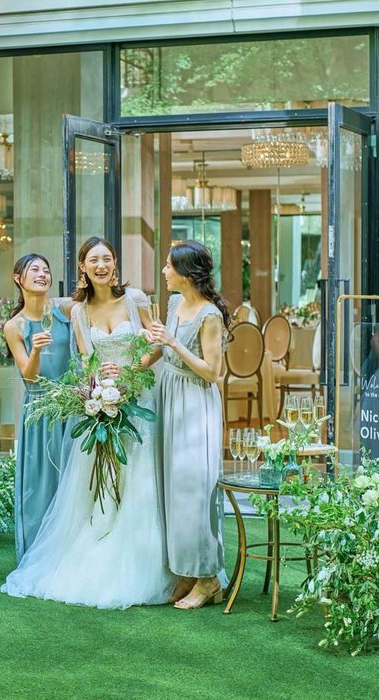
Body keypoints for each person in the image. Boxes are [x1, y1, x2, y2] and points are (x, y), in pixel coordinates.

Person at [2, 237, 175, 609]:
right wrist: (99, 387)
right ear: (82, 267)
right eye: (93, 260)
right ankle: (104, 555)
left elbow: (158, 344)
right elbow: (86, 360)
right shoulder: (78, 311)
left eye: (107, 259)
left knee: (142, 480)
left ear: (115, 264)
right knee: (105, 483)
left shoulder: (136, 300)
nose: (101, 266)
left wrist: (131, 370)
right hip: (104, 401)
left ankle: (149, 561)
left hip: (139, 398)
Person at [149, 240, 228, 609]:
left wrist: (174, 344)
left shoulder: (210, 316)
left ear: (185, 273)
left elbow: (212, 372)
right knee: (173, 489)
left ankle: (208, 578)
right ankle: (185, 572)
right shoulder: (173, 303)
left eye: (169, 266)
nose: (164, 271)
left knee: (194, 492)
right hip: (169, 397)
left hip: (195, 404)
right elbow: (160, 349)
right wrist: (129, 369)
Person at [3, 254, 73, 561]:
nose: (42, 274)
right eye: (35, 269)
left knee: (71, 481)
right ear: (18, 278)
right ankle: (40, 555)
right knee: (41, 483)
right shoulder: (14, 326)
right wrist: (36, 351)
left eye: (46, 269)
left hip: (72, 406)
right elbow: (29, 377)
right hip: (40, 408)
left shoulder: (65, 309)